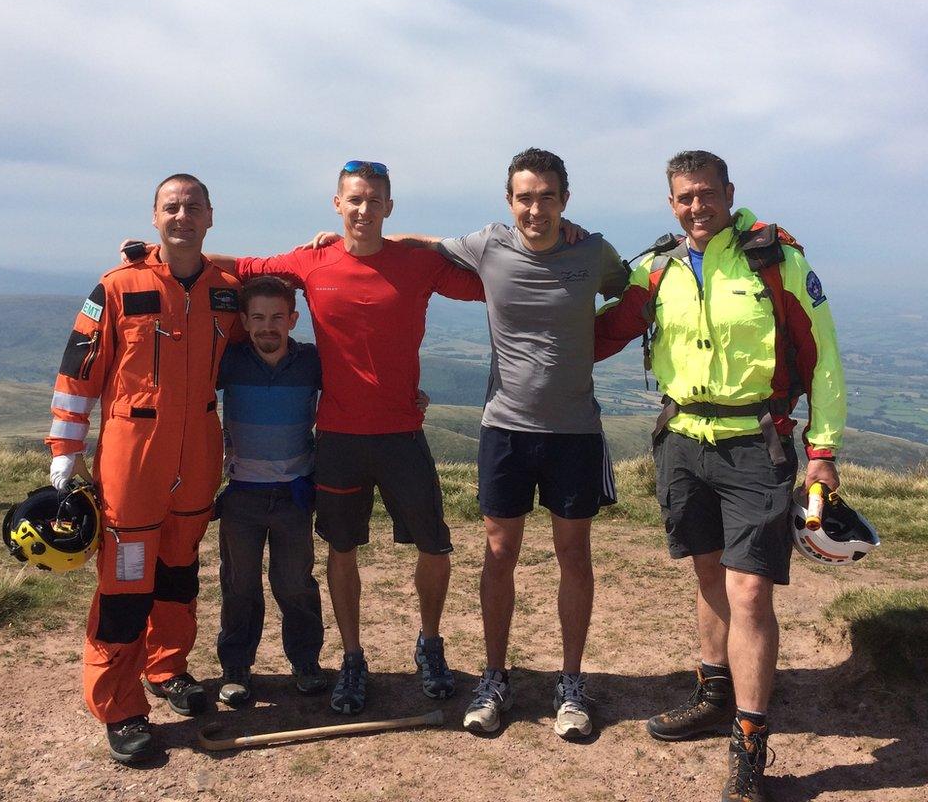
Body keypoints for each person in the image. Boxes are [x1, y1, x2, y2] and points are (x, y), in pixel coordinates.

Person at [594, 150, 845, 802]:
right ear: (671, 202)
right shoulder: (657, 269)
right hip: (681, 442)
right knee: (708, 574)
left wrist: (824, 450)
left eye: (706, 194)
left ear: (728, 194)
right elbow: (600, 334)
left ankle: (750, 742)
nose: (696, 206)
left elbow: (823, 357)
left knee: (750, 593)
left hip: (757, 444)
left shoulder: (775, 261)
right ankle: (712, 695)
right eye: (683, 197)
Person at [208, 161, 485, 715]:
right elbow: (238, 266)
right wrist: (152, 257)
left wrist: (557, 247)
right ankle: (352, 658)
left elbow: (492, 282)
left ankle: (430, 645)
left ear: (389, 206)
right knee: (341, 548)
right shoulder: (311, 262)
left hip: (402, 433)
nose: (363, 209)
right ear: (337, 204)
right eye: (354, 200)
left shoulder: (416, 262)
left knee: (435, 544)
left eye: (374, 200)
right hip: (336, 438)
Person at [383, 148, 628, 739]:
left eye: (547, 196)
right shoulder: (489, 243)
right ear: (509, 200)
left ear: (564, 200)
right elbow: (423, 243)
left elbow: (632, 288)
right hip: (506, 428)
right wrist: (339, 241)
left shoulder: (593, 252)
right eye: (525, 196)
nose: (535, 208)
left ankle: (571, 682)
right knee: (498, 553)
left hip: (574, 431)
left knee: (574, 554)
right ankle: (495, 676)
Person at [46, 174, 243, 764]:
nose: (182, 216)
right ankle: (120, 705)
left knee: (179, 571)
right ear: (155, 217)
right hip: (134, 454)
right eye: (171, 208)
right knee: (127, 581)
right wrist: (64, 451)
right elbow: (79, 370)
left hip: (199, 451)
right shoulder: (117, 286)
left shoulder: (227, 292)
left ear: (211, 216)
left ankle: (167, 669)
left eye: (192, 208)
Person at [213, 275, 325, 706]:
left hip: (295, 494)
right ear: (243, 320)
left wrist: (412, 395)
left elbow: (356, 392)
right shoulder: (229, 360)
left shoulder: (313, 361)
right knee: (239, 583)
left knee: (295, 581)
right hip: (241, 494)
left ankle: (305, 660)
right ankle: (236, 666)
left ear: (293, 319)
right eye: (257, 317)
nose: (267, 326)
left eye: (278, 317)